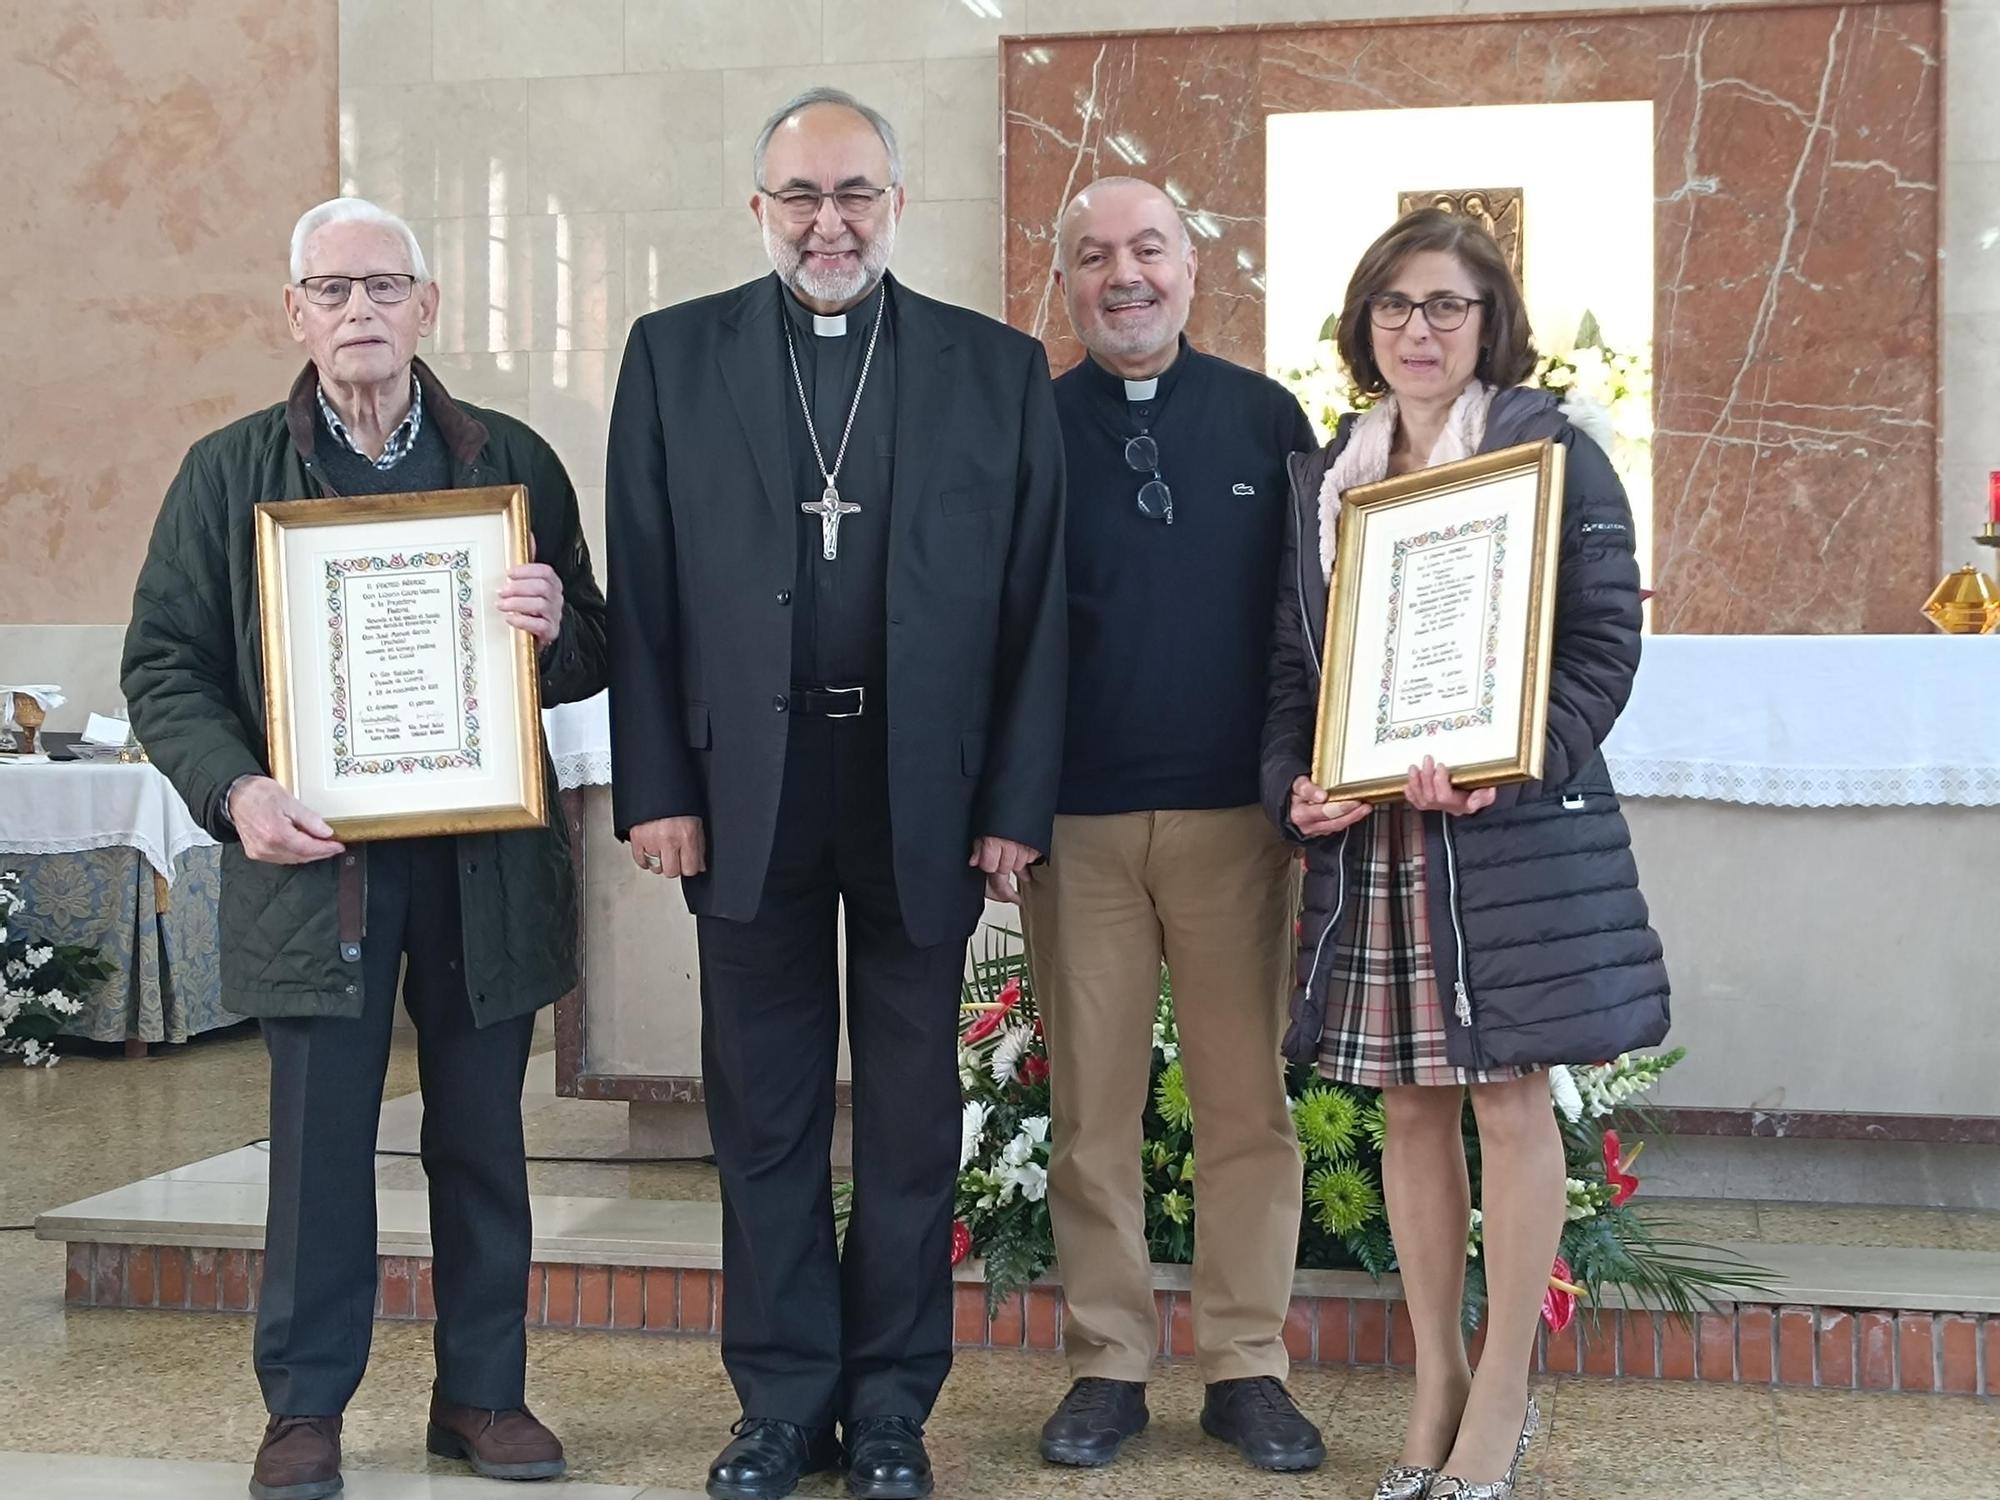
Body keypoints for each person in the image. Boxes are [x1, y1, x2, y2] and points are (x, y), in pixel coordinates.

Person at [604, 88, 1066, 1500]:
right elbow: (644, 595)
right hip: (746, 792)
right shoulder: (676, 358)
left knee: (917, 1113)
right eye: (801, 196)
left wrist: (1013, 802)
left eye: (854, 192)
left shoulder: (996, 369)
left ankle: (891, 1410)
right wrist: (656, 787)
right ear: (758, 210)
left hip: (920, 787)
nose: (828, 221)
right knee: (767, 1111)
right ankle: (783, 1400)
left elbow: (1036, 607)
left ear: (897, 205)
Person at [122, 196, 607, 1500]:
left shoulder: (512, 462)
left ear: (427, 307)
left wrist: (558, 619)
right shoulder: (228, 474)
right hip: (313, 865)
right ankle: (305, 1411)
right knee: (319, 1150)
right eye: (331, 291)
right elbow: (166, 666)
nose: (359, 313)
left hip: (483, 865)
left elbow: (597, 646)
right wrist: (235, 793)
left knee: (481, 1144)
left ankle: (484, 1396)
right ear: (295, 313)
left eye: (383, 287)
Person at [1259, 208, 1668, 1500]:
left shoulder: (1554, 456)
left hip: (1501, 844)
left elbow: (1606, 645)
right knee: (1410, 1107)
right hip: (1375, 839)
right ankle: (1433, 1374)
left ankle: (1502, 1388)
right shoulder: (1330, 478)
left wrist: (1518, 753)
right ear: (1362, 325)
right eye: (1394, 306)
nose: (1417, 331)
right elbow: (1292, 676)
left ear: (1491, 320)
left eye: (1445, 306)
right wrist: (1297, 787)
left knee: (1506, 1099)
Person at [1021, 176, 1323, 1475]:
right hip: (1075, 828)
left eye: (1147, 249)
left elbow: (1308, 625)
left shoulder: (1268, 419)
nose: (1124, 275)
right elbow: (998, 635)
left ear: (1194, 269)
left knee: (1246, 1109)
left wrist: (1303, 776)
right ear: (1068, 284)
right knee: (1093, 1110)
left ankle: (1247, 1365)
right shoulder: (1025, 429)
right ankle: (1106, 1363)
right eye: (1095, 257)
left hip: (1234, 827)